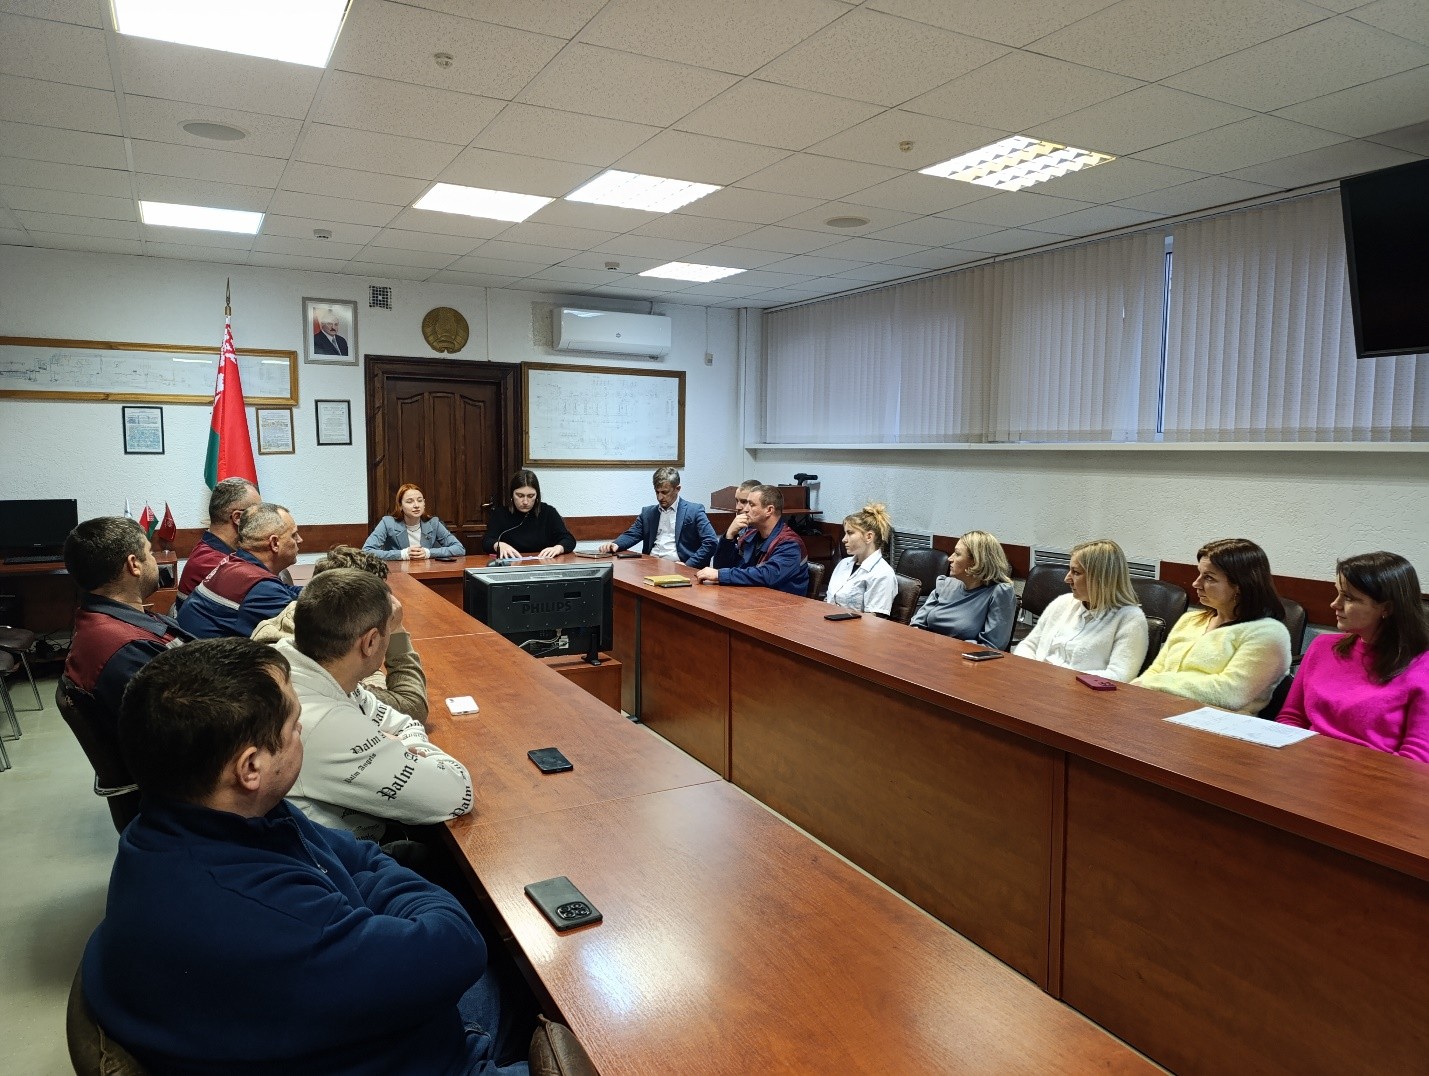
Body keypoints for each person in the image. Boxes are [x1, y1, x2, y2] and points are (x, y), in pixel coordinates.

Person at [81, 638, 527, 1075]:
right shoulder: (260, 913)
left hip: (348, 1014)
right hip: (424, 1054)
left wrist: (380, 903)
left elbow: (356, 856)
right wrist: (411, 910)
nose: (302, 735)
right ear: (250, 767)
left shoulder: (204, 815)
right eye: (295, 726)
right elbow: (457, 944)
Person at [276, 568, 472, 841]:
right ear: (370, 642)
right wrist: (400, 745)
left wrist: (393, 742)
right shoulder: (324, 723)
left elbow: (405, 722)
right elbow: (458, 792)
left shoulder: (306, 665)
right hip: (343, 859)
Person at [251, 545, 429, 725]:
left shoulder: (306, 628)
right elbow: (411, 707)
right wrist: (395, 628)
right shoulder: (302, 671)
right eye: (381, 601)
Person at [1277, 551, 1429, 762]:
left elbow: (1416, 757)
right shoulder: (1322, 646)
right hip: (1307, 764)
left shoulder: (1422, 666)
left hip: (1372, 775)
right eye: (1338, 593)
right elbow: (1291, 718)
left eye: (1348, 597)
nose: (1335, 604)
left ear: (1387, 608)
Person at [1133, 538, 1291, 714]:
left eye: (1209, 577)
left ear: (1240, 585)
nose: (1196, 584)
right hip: (1162, 710)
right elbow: (1156, 670)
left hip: (1217, 724)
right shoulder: (1191, 620)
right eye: (1199, 574)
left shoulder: (1268, 633)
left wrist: (1152, 684)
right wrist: (1132, 692)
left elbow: (1231, 693)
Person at [61, 516, 190, 729]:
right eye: (150, 552)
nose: (154, 560)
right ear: (133, 564)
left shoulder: (93, 619)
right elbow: (191, 725)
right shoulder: (130, 650)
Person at [1013, 539, 1149, 681]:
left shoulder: (1130, 619)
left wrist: (1058, 676)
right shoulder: (1063, 602)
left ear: (1100, 578)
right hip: (1038, 682)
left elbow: (1120, 676)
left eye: (1076, 572)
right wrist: (1035, 670)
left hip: (1080, 692)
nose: (1067, 579)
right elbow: (1029, 645)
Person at [176, 502, 302, 639]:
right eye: (294, 535)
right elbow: (308, 630)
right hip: (205, 652)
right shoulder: (260, 588)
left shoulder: (235, 563)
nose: (300, 540)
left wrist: (318, 588)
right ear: (274, 543)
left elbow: (284, 590)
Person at [696, 483, 809, 596]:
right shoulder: (750, 536)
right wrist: (729, 536)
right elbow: (721, 567)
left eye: (751, 504)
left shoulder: (790, 543)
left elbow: (768, 575)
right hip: (751, 597)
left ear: (769, 510)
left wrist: (721, 575)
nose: (745, 509)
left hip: (782, 603)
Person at [910, 531, 1016, 650]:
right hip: (927, 651)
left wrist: (944, 647)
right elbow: (917, 624)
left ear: (976, 561)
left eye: (957, 554)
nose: (950, 558)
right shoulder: (945, 584)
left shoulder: (999, 592)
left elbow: (992, 646)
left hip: (964, 657)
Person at [598, 466, 718, 568]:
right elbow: (632, 534)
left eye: (665, 492)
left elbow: (711, 542)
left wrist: (688, 565)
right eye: (657, 492)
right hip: (651, 565)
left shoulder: (694, 511)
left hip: (680, 567)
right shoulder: (648, 513)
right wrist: (616, 544)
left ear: (677, 489)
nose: (660, 497)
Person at [177, 477, 260, 597]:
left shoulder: (209, 550)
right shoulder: (215, 564)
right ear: (238, 518)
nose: (262, 520)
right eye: (258, 513)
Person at [482, 469, 575, 560]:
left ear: (537, 495)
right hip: (511, 565)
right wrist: (498, 545)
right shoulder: (500, 514)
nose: (525, 502)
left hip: (542, 564)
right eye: (520, 495)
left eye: (531, 496)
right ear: (512, 495)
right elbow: (487, 541)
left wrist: (558, 548)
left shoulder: (548, 512)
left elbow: (569, 539)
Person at [824, 503, 897, 616]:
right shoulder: (843, 563)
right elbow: (828, 600)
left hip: (854, 627)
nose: (844, 539)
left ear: (869, 537)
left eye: (850, 533)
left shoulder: (883, 573)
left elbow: (873, 620)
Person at [364, 483, 466, 561]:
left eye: (420, 500)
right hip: (398, 574)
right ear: (400, 506)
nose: (416, 505)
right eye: (410, 501)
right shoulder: (387, 523)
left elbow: (459, 549)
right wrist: (402, 554)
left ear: (424, 503)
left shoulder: (433, 523)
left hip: (426, 572)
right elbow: (366, 551)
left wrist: (428, 553)